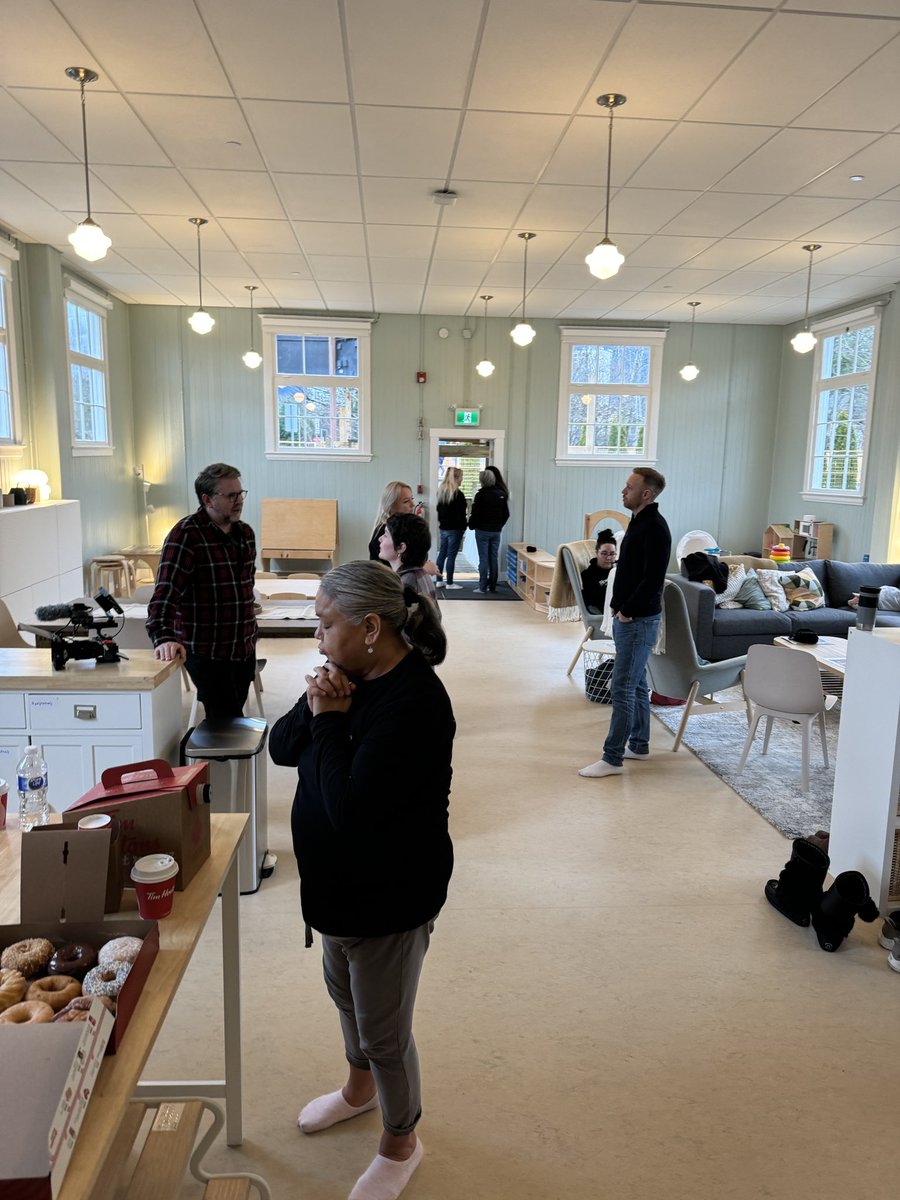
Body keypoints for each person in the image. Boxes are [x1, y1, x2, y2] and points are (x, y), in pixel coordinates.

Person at [269, 561, 453, 1200]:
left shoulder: (416, 703)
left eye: (325, 625)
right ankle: (358, 1089)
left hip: (390, 896)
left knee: (383, 1030)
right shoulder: (347, 675)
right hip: (335, 891)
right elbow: (281, 747)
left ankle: (401, 1140)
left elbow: (348, 809)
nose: (317, 638)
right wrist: (319, 702)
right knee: (344, 995)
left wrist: (327, 719)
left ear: (370, 627)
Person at [579, 468, 671, 779]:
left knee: (622, 687)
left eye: (629, 487)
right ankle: (640, 745)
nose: (623, 491)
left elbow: (653, 579)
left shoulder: (655, 527)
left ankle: (612, 757)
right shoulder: (639, 523)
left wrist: (627, 611)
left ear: (646, 494)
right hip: (630, 618)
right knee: (638, 683)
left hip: (637, 620)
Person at [146, 462, 257, 720]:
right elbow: (165, 594)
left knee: (232, 722)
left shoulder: (245, 534)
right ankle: (211, 761)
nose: (239, 500)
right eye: (230, 495)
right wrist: (162, 637)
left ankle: (224, 760)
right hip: (207, 651)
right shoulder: (185, 536)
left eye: (240, 494)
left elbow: (245, 590)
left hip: (243, 648)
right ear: (207, 499)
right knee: (225, 721)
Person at [379, 514, 439, 603]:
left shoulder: (404, 584)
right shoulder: (420, 573)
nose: (380, 538)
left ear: (401, 547)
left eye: (386, 535)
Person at [468, 468, 510, 593]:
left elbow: (475, 514)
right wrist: (499, 526)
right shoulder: (501, 494)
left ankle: (482, 587)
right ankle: (492, 586)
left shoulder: (480, 495)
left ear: (482, 481)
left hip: (482, 531)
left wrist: (471, 525)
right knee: (494, 558)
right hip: (496, 531)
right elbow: (506, 514)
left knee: (484, 559)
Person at [435, 467, 467, 590]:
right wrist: (464, 527)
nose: (462, 480)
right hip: (455, 529)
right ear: (456, 478)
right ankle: (449, 583)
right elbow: (461, 515)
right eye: (461, 477)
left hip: (443, 528)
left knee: (442, 554)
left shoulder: (441, 492)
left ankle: (439, 581)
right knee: (451, 555)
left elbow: (439, 511)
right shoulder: (458, 495)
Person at [368, 481, 415, 562]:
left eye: (412, 499)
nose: (413, 505)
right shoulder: (384, 532)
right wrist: (422, 567)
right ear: (391, 505)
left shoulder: (405, 527)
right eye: (406, 501)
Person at [580, 528, 618, 612]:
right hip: (605, 614)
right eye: (604, 554)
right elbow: (590, 604)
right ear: (596, 553)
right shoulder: (588, 575)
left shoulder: (620, 569)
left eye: (612, 554)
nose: (608, 557)